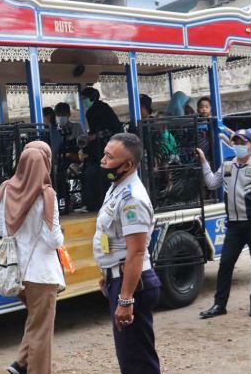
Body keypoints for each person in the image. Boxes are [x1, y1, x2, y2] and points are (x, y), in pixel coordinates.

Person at [93, 133, 162, 374]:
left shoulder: (132, 198)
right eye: (104, 154)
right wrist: (107, 272)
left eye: (110, 157)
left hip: (133, 284)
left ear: (128, 165)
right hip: (120, 279)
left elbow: (136, 252)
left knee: (137, 362)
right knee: (130, 358)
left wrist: (125, 299)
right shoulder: (117, 188)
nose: (103, 160)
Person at [0, 141, 65, 374]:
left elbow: (1, 230)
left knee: (36, 320)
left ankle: (20, 364)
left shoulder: (6, 189)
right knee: (42, 331)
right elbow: (53, 239)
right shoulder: (46, 195)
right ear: (46, 163)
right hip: (42, 274)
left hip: (16, 271)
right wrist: (61, 235)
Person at [197, 129, 251, 319]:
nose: (239, 145)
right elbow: (212, 183)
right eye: (236, 142)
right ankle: (219, 305)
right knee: (225, 264)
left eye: (243, 142)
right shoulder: (227, 165)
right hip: (234, 225)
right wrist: (204, 161)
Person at [80, 87, 122, 212]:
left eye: (85, 98)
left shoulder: (96, 111)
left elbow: (108, 129)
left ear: (92, 98)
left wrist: (95, 136)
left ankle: (95, 204)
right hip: (106, 149)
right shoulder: (101, 108)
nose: (84, 101)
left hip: (105, 149)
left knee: (96, 175)